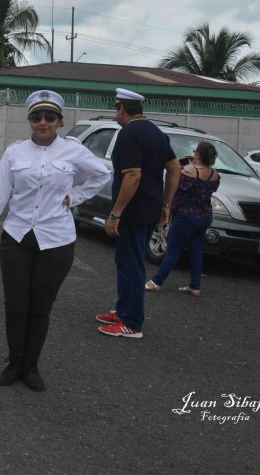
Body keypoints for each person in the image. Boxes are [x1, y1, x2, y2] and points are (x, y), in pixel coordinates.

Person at [0, 90, 111, 391]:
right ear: (29, 120)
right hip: (17, 237)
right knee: (16, 305)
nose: (43, 123)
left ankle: (31, 366)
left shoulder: (73, 150)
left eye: (50, 117)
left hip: (56, 240)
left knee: (41, 307)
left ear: (60, 121)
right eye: (36, 117)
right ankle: (14, 362)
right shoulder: (15, 153)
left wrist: (76, 196)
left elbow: (101, 175)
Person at [98, 88, 181, 339]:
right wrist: (166, 204)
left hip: (133, 212)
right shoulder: (157, 133)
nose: (116, 113)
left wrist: (115, 213)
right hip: (151, 208)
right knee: (127, 261)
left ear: (122, 109)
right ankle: (123, 310)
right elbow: (175, 169)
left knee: (131, 265)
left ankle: (132, 323)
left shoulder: (128, 133)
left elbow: (133, 176)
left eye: (116, 109)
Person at [146, 141, 220, 297]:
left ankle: (156, 282)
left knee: (173, 250)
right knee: (196, 250)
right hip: (205, 216)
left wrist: (187, 161)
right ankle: (195, 286)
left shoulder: (190, 172)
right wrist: (195, 162)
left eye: (195, 152)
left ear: (198, 154)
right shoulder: (215, 175)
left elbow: (174, 168)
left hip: (186, 215)